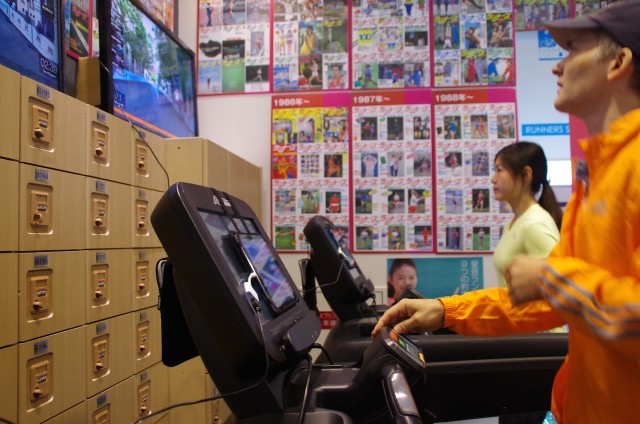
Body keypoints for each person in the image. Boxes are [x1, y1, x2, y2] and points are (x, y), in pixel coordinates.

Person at [374, 3, 640, 423]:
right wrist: (446, 311)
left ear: (618, 63)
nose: (557, 67)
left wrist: (554, 279)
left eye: (573, 49)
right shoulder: (599, 177)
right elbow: (546, 302)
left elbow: (565, 290)